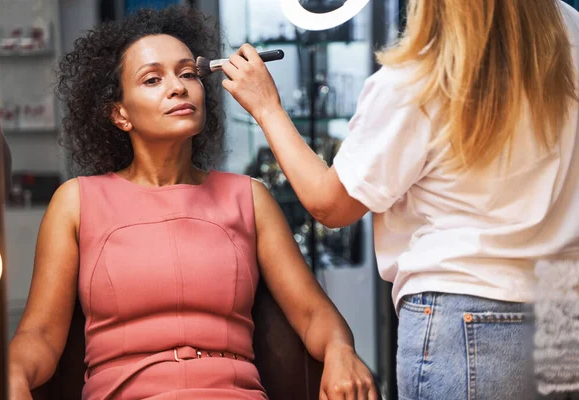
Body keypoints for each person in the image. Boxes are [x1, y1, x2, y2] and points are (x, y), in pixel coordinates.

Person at [7, 6, 377, 400]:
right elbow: (40, 335)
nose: (178, 87)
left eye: (187, 73)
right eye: (152, 79)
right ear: (120, 114)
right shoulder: (77, 202)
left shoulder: (249, 197)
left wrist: (341, 351)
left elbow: (314, 314)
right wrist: (11, 372)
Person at [222, 0, 579, 398]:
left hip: (465, 319)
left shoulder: (423, 75)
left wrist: (267, 107)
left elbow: (331, 205)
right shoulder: (569, 30)